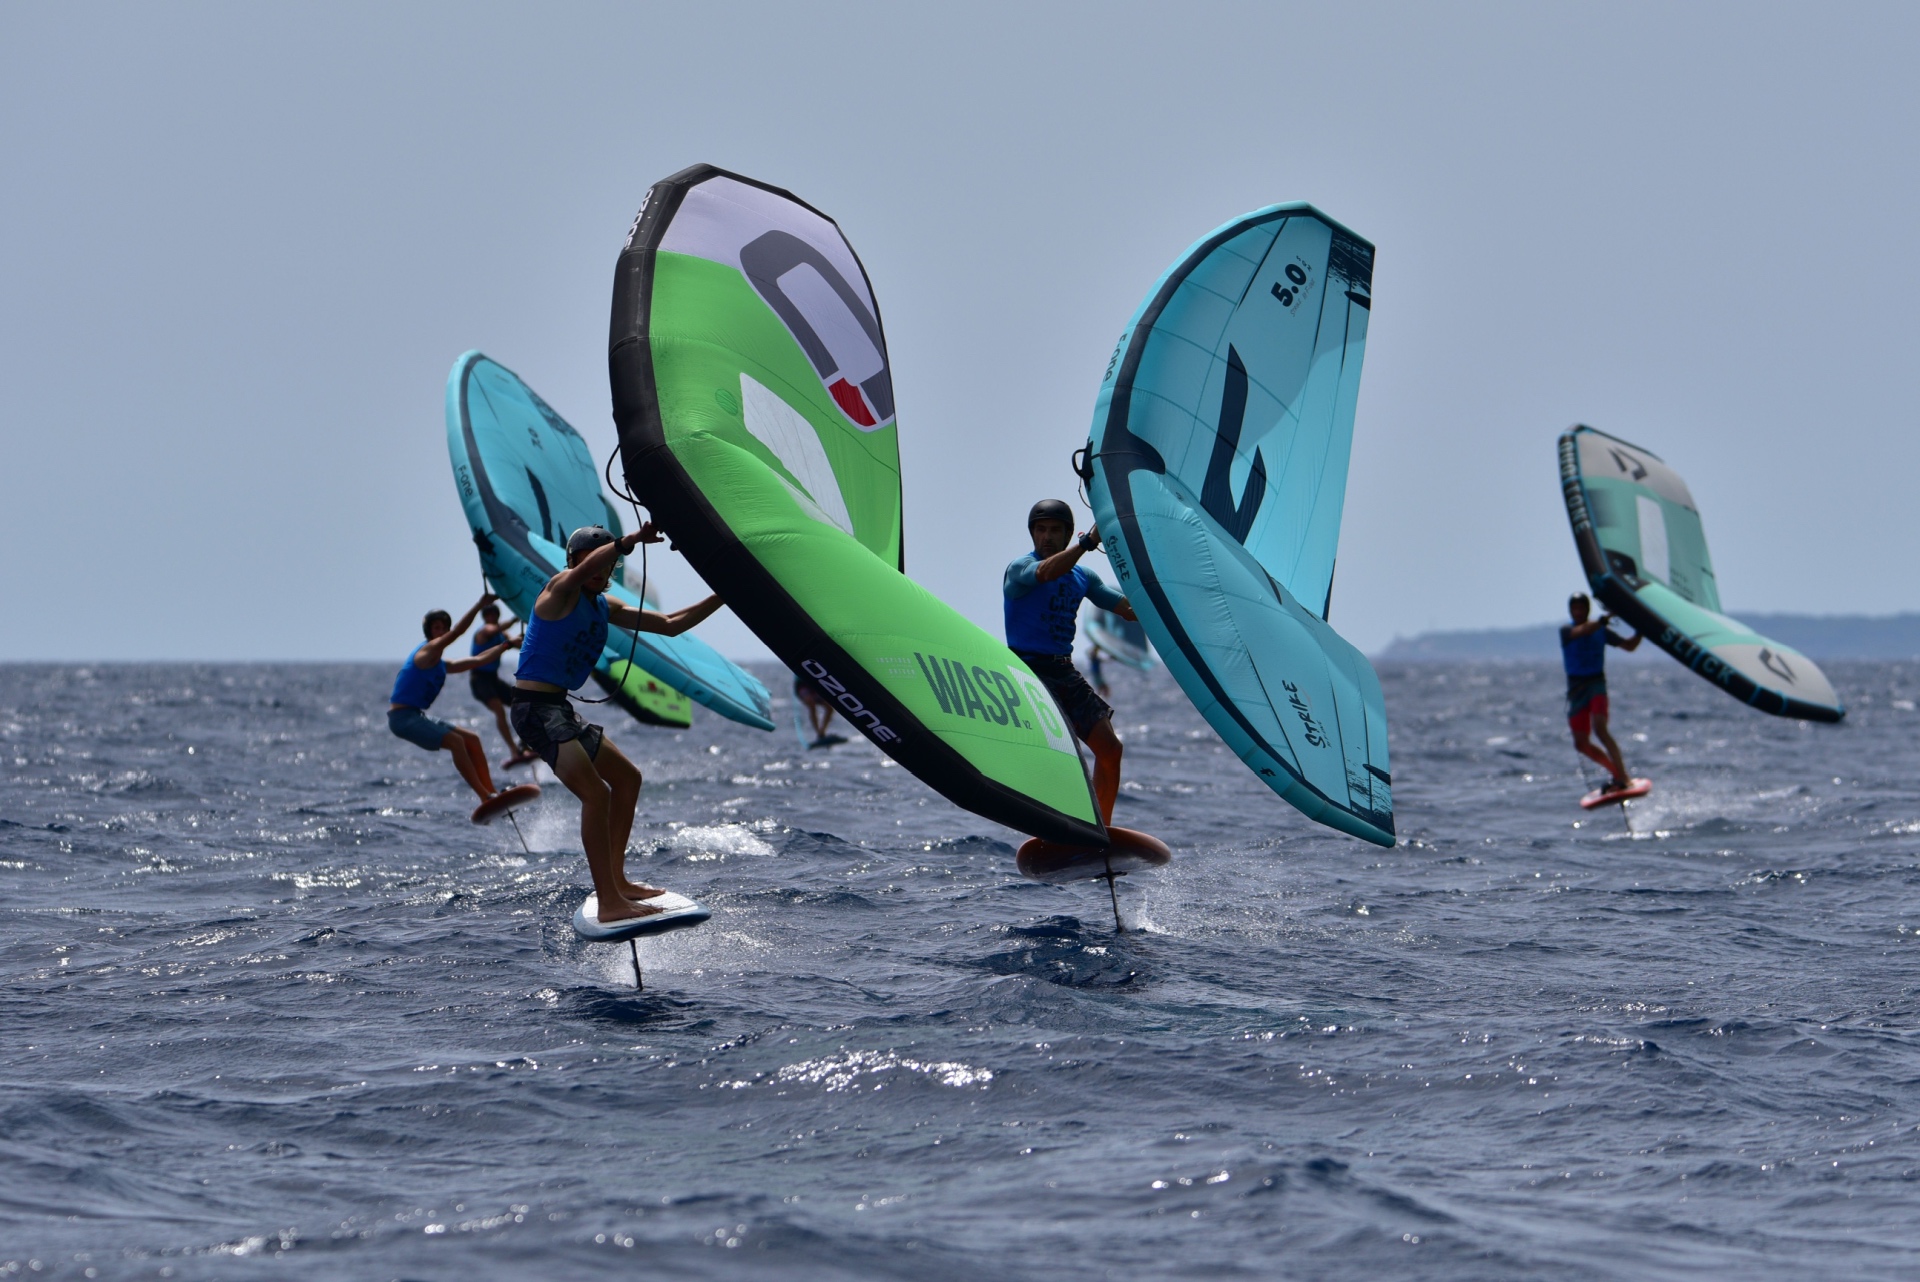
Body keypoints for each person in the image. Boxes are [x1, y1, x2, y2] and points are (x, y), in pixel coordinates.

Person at [511, 524, 726, 924]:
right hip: (534, 710)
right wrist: (626, 543)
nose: (601, 570)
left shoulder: (603, 606)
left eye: (608, 565)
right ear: (574, 561)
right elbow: (583, 569)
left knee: (628, 779)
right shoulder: (558, 592)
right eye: (595, 561)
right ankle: (609, 901)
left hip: (559, 709)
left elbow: (672, 623)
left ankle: (618, 881)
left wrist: (725, 595)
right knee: (596, 795)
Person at [1004, 499, 1136, 826]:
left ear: (1065, 535)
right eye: (1040, 530)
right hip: (1028, 671)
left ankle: (1100, 831)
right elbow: (1047, 572)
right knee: (1066, 754)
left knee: (1110, 749)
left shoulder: (1083, 576)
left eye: (1054, 531)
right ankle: (1061, 822)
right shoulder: (1021, 568)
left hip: (1064, 670)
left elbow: (1126, 610)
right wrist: (1087, 542)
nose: (1046, 537)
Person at [388, 594, 520, 804]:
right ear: (429, 632)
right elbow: (458, 632)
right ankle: (484, 796)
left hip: (416, 715)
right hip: (402, 718)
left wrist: (506, 645)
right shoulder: (425, 652)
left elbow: (477, 660)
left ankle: (492, 791)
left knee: (473, 739)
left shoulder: (441, 663)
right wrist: (479, 604)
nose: (440, 632)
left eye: (443, 628)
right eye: (436, 628)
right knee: (457, 742)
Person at [1561, 593, 1643, 790]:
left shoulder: (1601, 631)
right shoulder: (1566, 631)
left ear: (1588, 610)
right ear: (1571, 611)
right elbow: (1582, 631)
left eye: (1582, 608)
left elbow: (1630, 646)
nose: (1579, 612)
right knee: (1580, 744)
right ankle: (1615, 774)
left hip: (1596, 686)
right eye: (1575, 609)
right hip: (1576, 691)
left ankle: (1623, 777)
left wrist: (1643, 628)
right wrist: (1605, 618)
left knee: (1600, 728)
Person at [468, 601, 537, 767]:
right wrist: (516, 617)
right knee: (499, 710)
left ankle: (524, 745)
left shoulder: (501, 634)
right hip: (479, 680)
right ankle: (513, 751)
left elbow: (519, 644)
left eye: (494, 615)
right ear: (484, 618)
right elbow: (493, 629)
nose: (491, 618)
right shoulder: (483, 632)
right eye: (488, 615)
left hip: (493, 678)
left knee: (522, 704)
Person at [793, 673, 847, 748]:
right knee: (811, 704)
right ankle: (819, 732)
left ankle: (821, 733)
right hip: (803, 685)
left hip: (814, 685)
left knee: (829, 708)